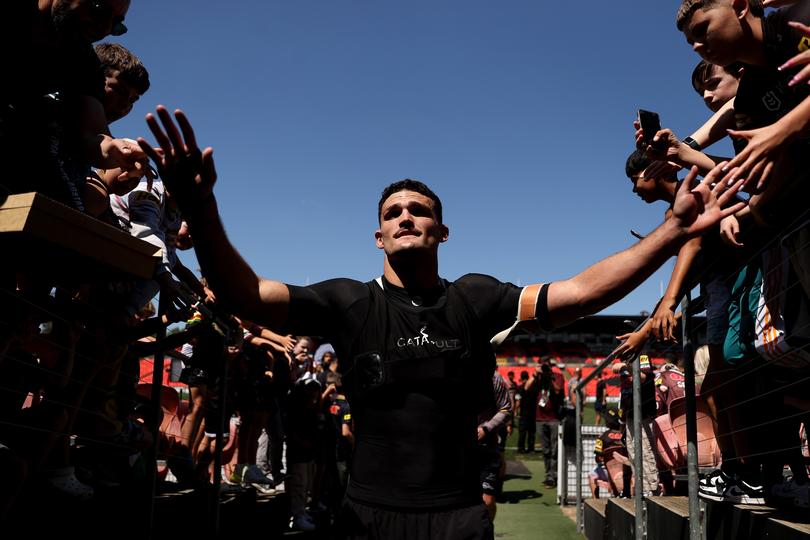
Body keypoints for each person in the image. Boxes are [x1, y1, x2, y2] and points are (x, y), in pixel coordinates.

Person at [137, 106, 745, 540]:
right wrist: (203, 213)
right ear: (377, 234)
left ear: (442, 231)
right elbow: (248, 295)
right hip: (366, 514)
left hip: (458, 517)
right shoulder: (347, 302)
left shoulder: (476, 298)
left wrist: (671, 231)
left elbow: (581, 294)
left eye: (420, 211)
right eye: (393, 212)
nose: (406, 217)